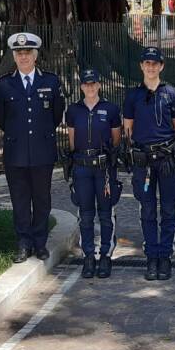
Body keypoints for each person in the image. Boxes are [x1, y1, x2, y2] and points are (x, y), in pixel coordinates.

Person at [0, 32, 65, 262]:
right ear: (14, 56)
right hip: (16, 153)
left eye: (27, 53)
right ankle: (23, 243)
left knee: (42, 199)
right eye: (19, 53)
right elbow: (1, 119)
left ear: (35, 55)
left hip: (42, 152)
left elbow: (56, 116)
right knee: (20, 200)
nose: (23, 57)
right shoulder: (4, 85)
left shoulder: (50, 82)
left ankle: (40, 243)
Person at [123, 47, 175, 282]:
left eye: (155, 63)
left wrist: (167, 146)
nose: (151, 67)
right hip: (144, 161)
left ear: (161, 66)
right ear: (141, 66)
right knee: (148, 210)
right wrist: (136, 150)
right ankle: (151, 256)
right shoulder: (133, 96)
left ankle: (166, 256)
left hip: (167, 159)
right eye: (147, 63)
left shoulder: (171, 93)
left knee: (168, 209)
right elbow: (128, 127)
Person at [65, 68, 122, 279]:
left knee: (106, 214)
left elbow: (116, 139)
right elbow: (72, 140)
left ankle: (105, 255)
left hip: (104, 167)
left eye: (93, 83)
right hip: (81, 167)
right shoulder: (73, 110)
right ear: (81, 87)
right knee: (86, 215)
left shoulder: (111, 108)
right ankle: (88, 256)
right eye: (86, 84)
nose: (90, 87)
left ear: (99, 85)